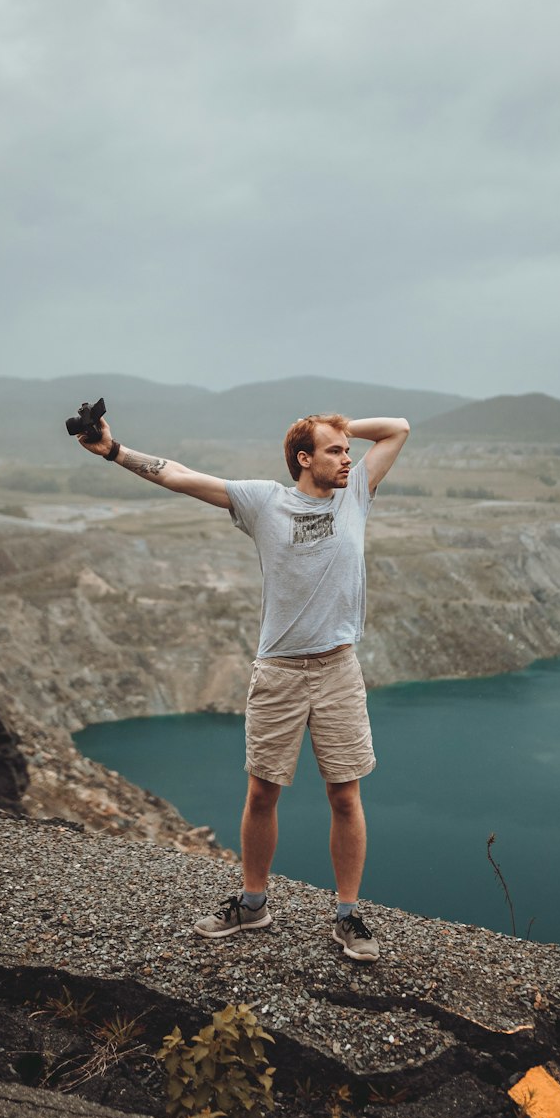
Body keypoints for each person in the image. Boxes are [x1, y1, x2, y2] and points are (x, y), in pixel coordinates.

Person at [78, 409, 410, 960]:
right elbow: (179, 476)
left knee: (345, 797)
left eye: (349, 450)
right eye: (334, 451)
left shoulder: (357, 495)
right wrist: (115, 451)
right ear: (304, 460)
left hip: (338, 671)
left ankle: (348, 917)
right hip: (279, 671)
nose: (348, 458)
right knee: (262, 794)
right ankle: (253, 904)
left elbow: (398, 427)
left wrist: (340, 425)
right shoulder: (265, 501)